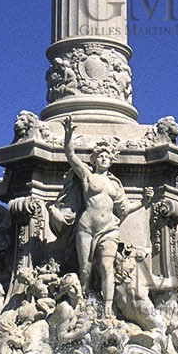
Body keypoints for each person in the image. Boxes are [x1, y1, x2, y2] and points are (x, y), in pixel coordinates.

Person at [62, 116, 128, 313]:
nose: (104, 159)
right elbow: (71, 156)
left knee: (108, 267)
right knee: (85, 269)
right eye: (100, 156)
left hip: (108, 228)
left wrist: (146, 202)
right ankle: (82, 304)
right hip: (86, 226)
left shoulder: (116, 185)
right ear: (94, 159)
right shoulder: (88, 176)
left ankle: (107, 307)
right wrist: (68, 135)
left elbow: (123, 210)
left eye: (107, 157)